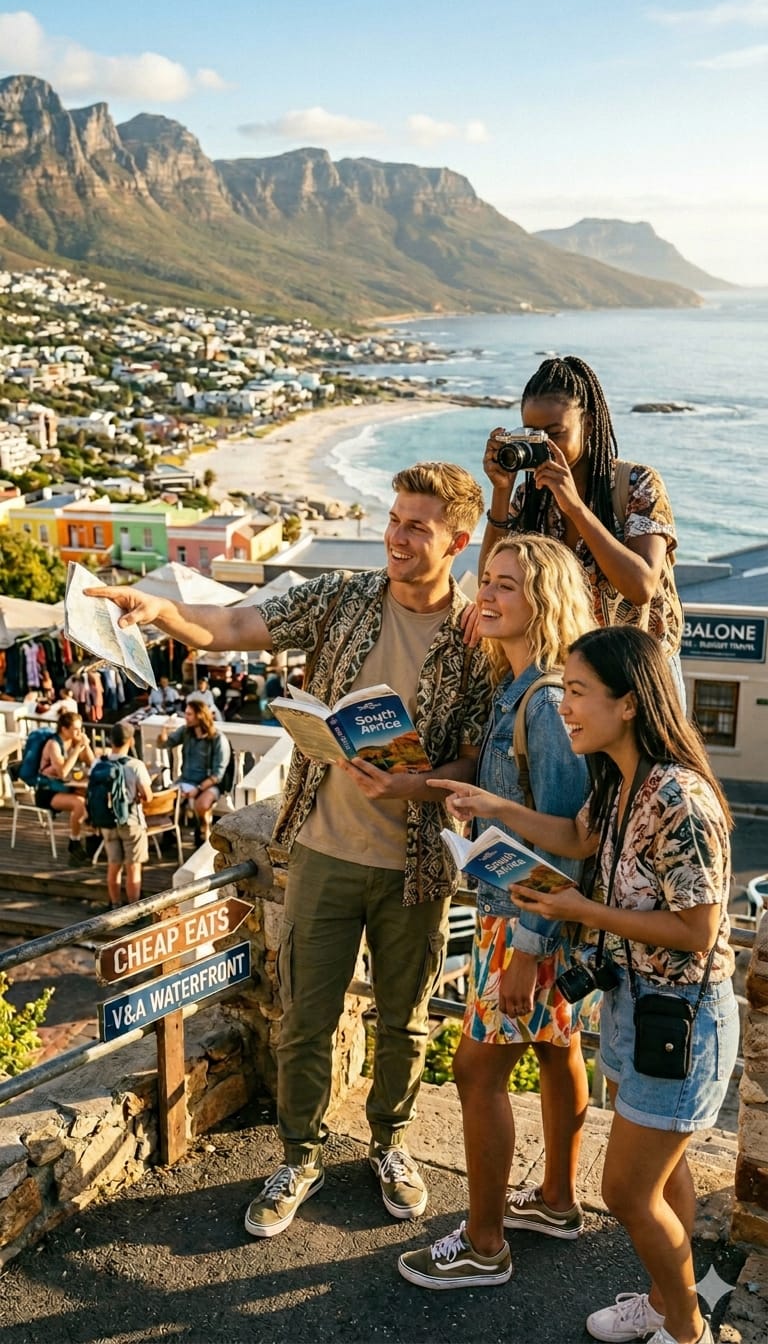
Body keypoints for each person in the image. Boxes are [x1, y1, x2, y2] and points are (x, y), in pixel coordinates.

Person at [85, 461, 491, 1236]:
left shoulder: (476, 637)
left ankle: (391, 1144)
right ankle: (299, 1156)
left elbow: (476, 754)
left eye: (417, 527)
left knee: (406, 1021)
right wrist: (156, 610)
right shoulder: (341, 596)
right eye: (395, 519)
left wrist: (419, 785)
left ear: (459, 542)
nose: (397, 537)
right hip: (323, 850)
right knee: (305, 1016)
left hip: (418, 864)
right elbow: (233, 627)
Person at [435, 627, 738, 1344]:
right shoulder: (616, 777)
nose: (562, 706)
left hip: (682, 1022)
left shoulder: (679, 799)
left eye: (576, 692)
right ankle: (669, 1302)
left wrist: (579, 910)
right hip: (638, 1009)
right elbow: (576, 838)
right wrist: (495, 808)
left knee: (626, 1192)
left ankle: (686, 1327)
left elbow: (698, 931)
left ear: (628, 704)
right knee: (664, 1177)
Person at [397, 533, 593, 1291]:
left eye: (507, 585)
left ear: (542, 601)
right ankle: (556, 1202)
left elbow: (570, 836)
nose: (487, 593)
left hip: (523, 920)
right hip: (526, 916)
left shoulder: (544, 703)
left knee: (476, 1075)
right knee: (554, 1048)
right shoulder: (523, 688)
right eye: (489, 580)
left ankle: (483, 1247)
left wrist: (528, 944)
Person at [479, 355, 685, 699]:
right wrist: (501, 491)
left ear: (588, 424)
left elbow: (641, 586)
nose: (544, 445)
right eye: (533, 433)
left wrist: (574, 507)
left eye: (554, 432)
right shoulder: (531, 496)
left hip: (638, 678)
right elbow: (491, 578)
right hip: (567, 677)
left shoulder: (636, 484)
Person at [158, 700, 230, 843]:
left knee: (201, 805)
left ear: (200, 715)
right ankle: (170, 834)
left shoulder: (218, 739)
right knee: (165, 801)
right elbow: (164, 744)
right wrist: (164, 731)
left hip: (209, 784)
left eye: (189, 714)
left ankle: (203, 830)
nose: (186, 717)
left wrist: (197, 789)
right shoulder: (186, 731)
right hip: (186, 780)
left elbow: (217, 775)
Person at [99, 722, 153, 908]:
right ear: (130, 741)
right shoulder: (135, 765)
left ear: (110, 740)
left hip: (107, 821)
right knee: (133, 867)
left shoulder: (100, 763)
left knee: (114, 865)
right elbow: (147, 796)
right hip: (131, 821)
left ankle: (114, 905)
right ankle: (132, 911)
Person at [35, 710, 96, 863]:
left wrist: (86, 745)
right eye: (75, 729)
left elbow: (93, 764)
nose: (79, 732)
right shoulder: (53, 744)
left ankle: (92, 839)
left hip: (64, 787)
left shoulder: (74, 741)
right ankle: (74, 843)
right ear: (64, 729)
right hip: (47, 791)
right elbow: (62, 772)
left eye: (80, 728)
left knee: (93, 798)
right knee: (79, 803)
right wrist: (76, 750)